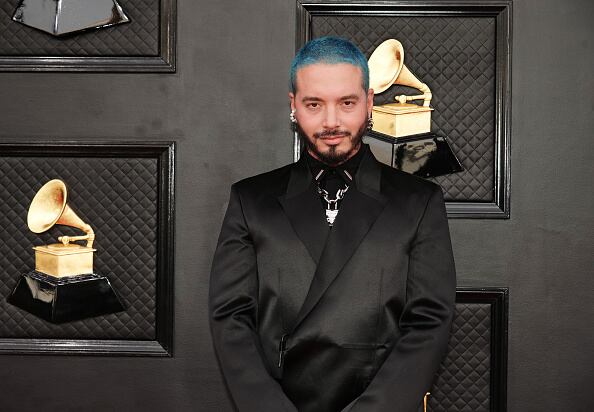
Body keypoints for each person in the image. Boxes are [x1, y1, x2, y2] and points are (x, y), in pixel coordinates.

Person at [209, 36, 456, 412]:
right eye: (314, 104)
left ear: (369, 103)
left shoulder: (419, 202)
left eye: (346, 103)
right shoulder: (251, 200)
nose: (331, 121)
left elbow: (429, 323)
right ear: (293, 106)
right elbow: (231, 320)